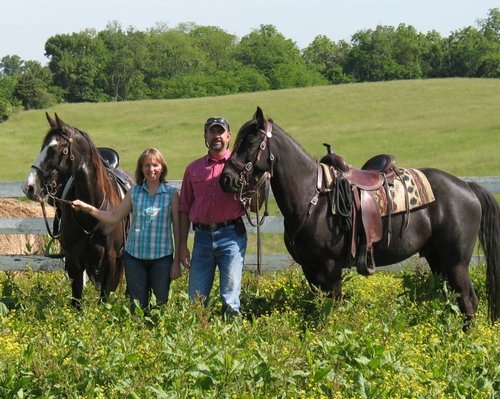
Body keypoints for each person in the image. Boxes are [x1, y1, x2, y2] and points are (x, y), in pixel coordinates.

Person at [72, 148, 181, 312]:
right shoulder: (134, 192)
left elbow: (178, 231)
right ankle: (139, 335)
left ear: (162, 167)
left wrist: (176, 261)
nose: (151, 169)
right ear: (141, 168)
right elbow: (114, 217)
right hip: (135, 258)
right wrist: (89, 209)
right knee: (137, 307)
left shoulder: (172, 194)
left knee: (161, 305)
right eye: (147, 165)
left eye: (155, 165)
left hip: (162, 259)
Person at [178, 116, 247, 317]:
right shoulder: (193, 169)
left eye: (220, 132)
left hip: (231, 235)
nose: (216, 136)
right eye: (212, 132)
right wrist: (182, 245)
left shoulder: (239, 167)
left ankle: (232, 339)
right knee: (196, 299)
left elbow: (255, 204)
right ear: (206, 136)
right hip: (202, 238)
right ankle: (198, 339)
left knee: (230, 296)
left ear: (228, 136)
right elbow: (184, 207)